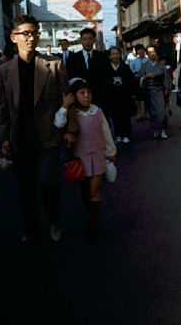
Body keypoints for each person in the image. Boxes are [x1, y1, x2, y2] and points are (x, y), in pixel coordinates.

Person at [0, 15, 77, 243]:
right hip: (20, 137)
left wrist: (70, 129)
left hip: (48, 136)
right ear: (14, 37)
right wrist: (4, 138)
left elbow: (67, 98)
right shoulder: (3, 71)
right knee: (25, 187)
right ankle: (31, 229)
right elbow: (2, 108)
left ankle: (54, 220)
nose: (30, 38)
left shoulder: (54, 64)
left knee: (49, 182)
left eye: (34, 33)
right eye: (25, 33)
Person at [54, 78, 116, 241]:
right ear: (74, 96)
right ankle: (92, 216)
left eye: (89, 92)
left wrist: (111, 152)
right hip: (80, 159)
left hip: (98, 156)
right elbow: (58, 124)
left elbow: (106, 133)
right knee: (85, 193)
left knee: (94, 191)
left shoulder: (98, 112)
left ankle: (93, 227)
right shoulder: (71, 113)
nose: (87, 96)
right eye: (82, 93)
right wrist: (65, 106)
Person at [67, 28, 109, 113]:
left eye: (90, 39)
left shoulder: (102, 56)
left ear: (94, 40)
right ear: (81, 41)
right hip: (81, 98)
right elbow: (70, 76)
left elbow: (106, 76)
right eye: (85, 39)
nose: (87, 42)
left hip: (100, 97)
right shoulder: (73, 57)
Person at [106, 47, 136, 143]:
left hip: (124, 96)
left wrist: (132, 93)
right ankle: (118, 134)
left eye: (117, 53)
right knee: (115, 116)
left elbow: (131, 81)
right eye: (113, 54)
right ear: (110, 56)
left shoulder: (125, 67)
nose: (115, 56)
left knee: (125, 116)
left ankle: (126, 134)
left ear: (120, 55)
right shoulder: (107, 68)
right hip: (112, 96)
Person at [138, 45, 169, 139]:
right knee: (152, 112)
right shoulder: (144, 66)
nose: (152, 54)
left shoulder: (161, 66)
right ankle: (155, 130)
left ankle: (162, 130)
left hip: (159, 90)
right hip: (149, 91)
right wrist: (146, 77)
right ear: (147, 54)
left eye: (153, 52)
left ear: (156, 53)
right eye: (149, 52)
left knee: (161, 111)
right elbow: (140, 77)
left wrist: (167, 91)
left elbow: (166, 79)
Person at [129, 44, 148, 120]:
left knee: (146, 97)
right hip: (137, 80)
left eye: (141, 49)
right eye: (138, 50)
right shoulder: (133, 61)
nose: (140, 51)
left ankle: (146, 113)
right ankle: (139, 113)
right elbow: (131, 71)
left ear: (144, 50)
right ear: (136, 51)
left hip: (146, 79)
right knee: (138, 98)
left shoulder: (148, 60)